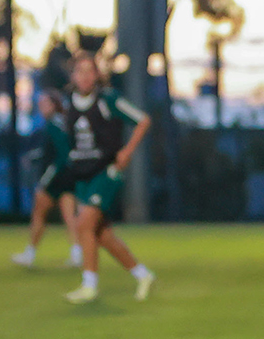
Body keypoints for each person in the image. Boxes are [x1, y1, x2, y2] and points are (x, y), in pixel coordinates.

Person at [59, 51, 157, 304]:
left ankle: (89, 285)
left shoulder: (108, 99)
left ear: (97, 75)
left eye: (90, 71)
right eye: (79, 71)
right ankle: (143, 275)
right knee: (102, 236)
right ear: (72, 76)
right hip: (83, 174)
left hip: (107, 172)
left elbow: (143, 120)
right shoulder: (68, 103)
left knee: (83, 226)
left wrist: (127, 151)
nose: (85, 76)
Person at [13, 92, 84, 269]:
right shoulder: (58, 122)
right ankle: (77, 254)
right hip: (67, 175)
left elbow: (61, 155)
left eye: (45, 103)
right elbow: (48, 151)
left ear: (54, 105)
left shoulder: (54, 124)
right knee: (69, 215)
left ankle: (30, 254)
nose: (41, 106)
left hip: (57, 176)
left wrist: (46, 180)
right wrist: (33, 157)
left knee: (39, 214)